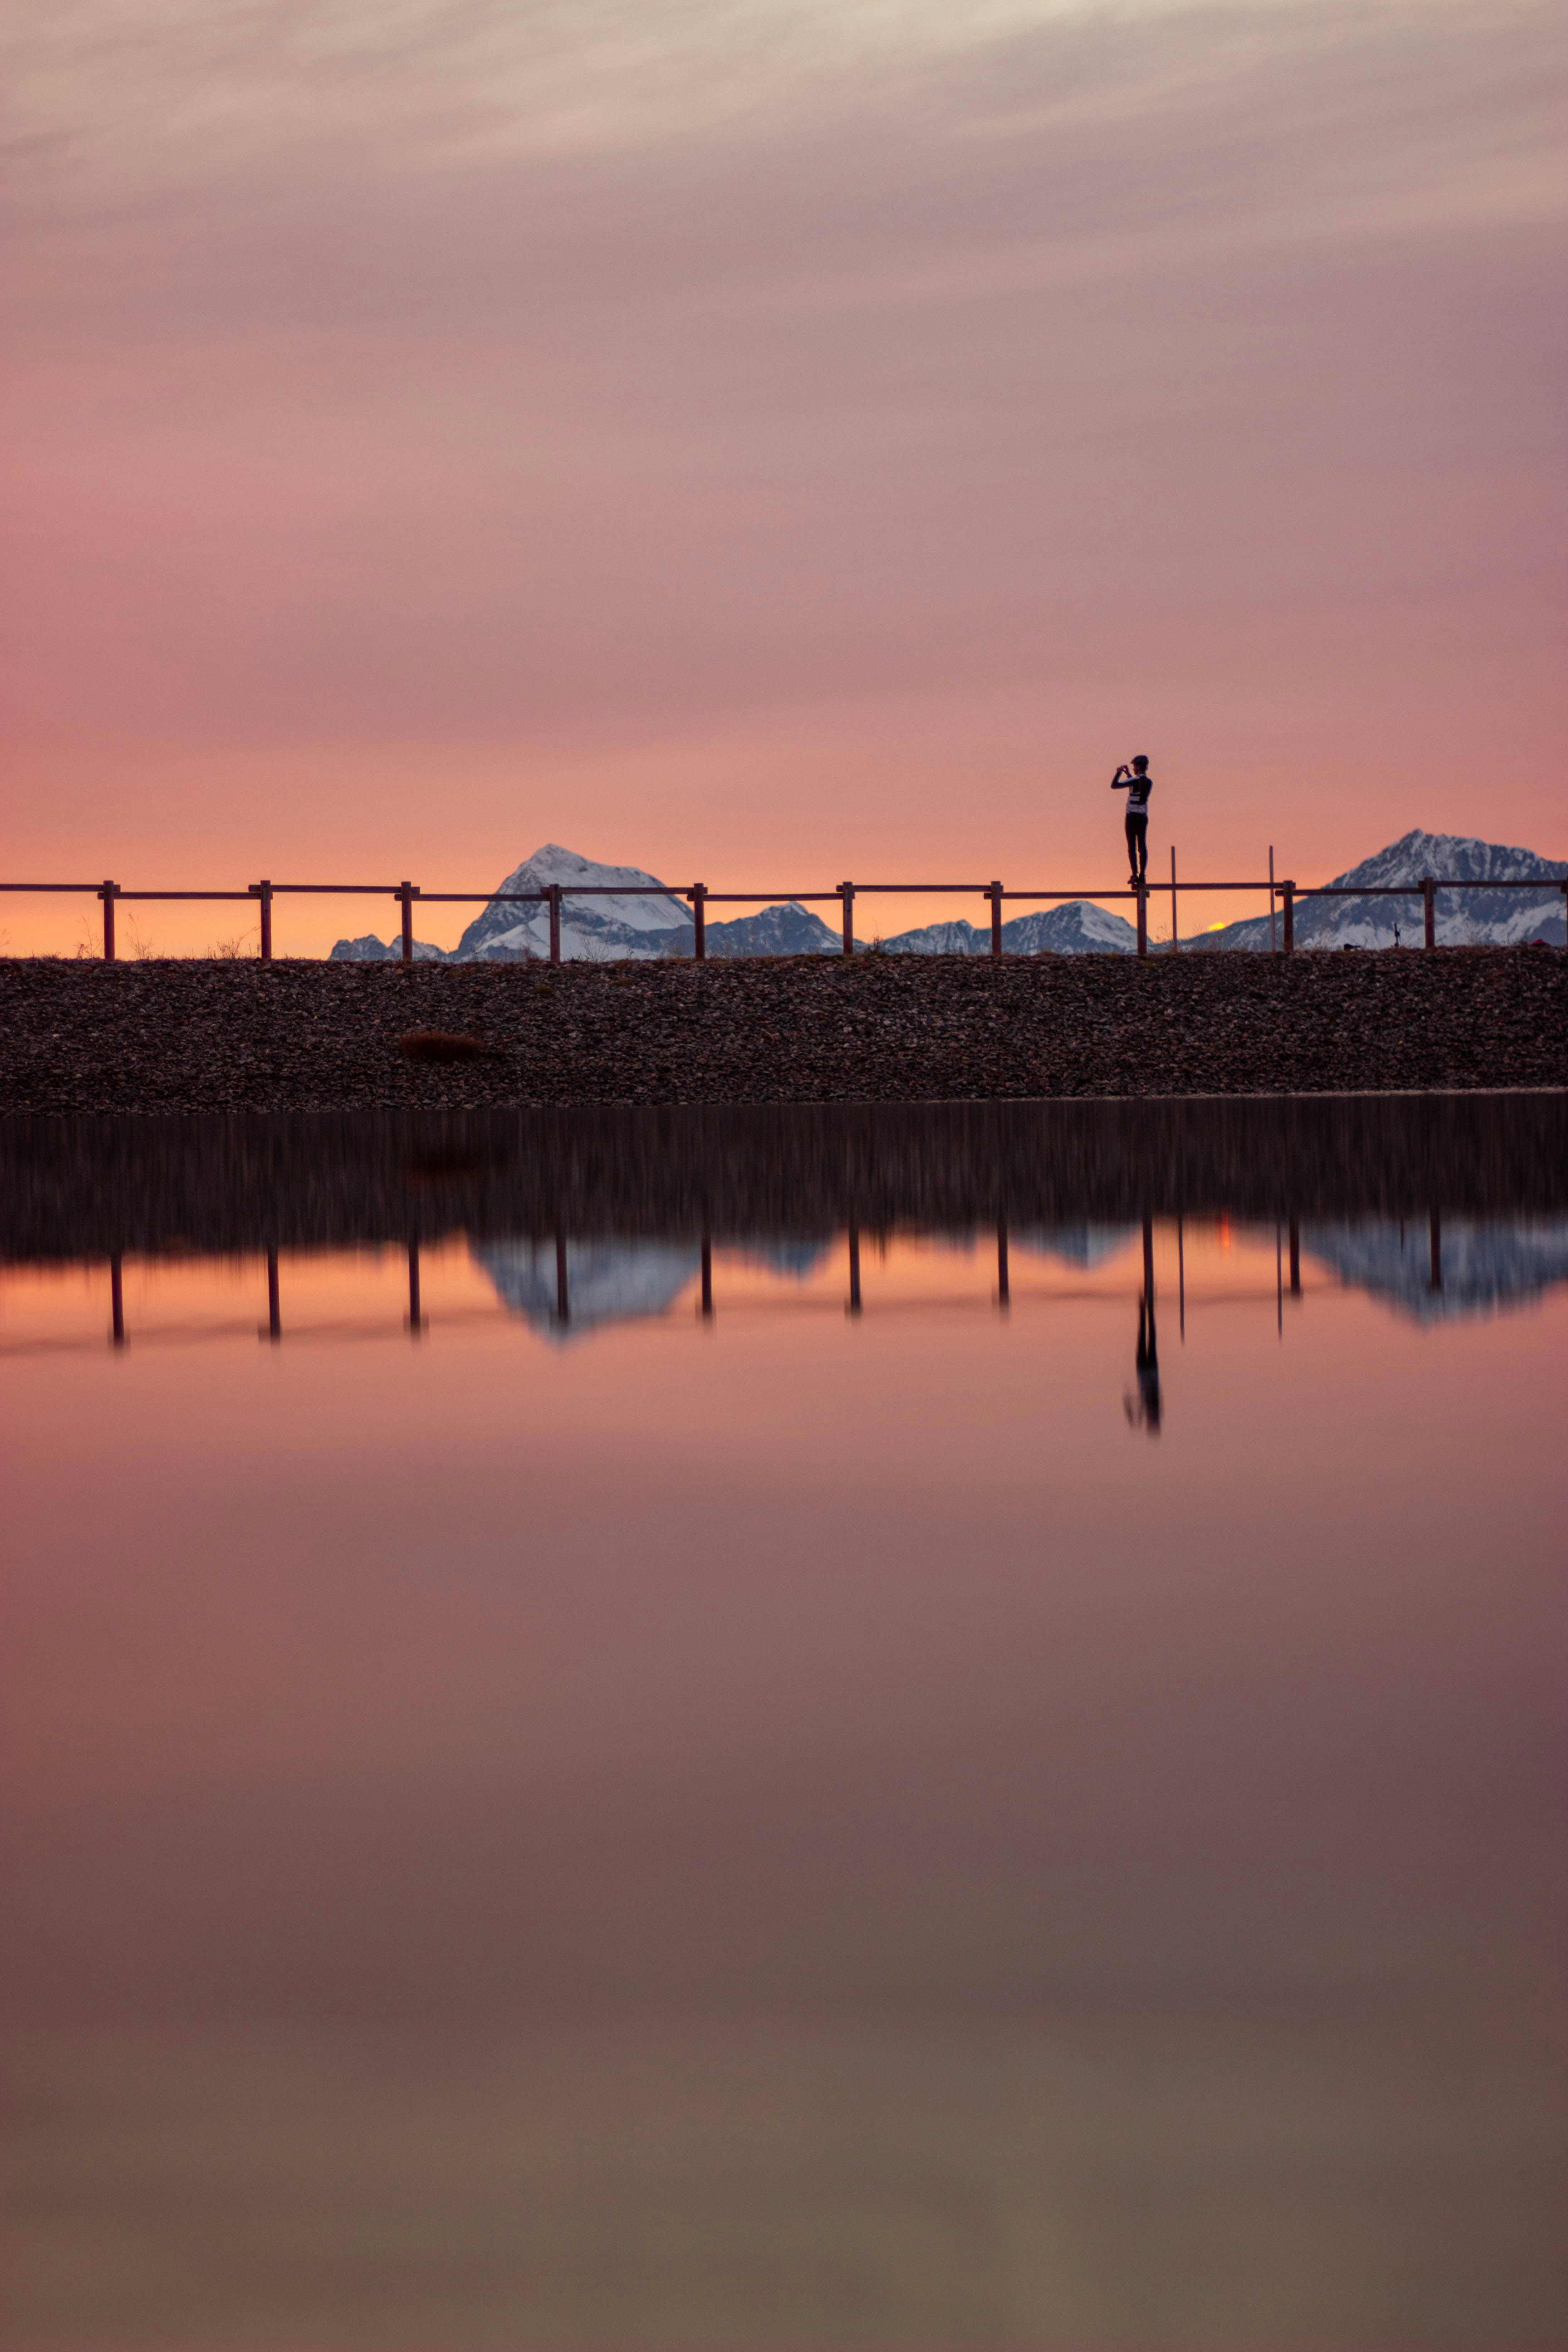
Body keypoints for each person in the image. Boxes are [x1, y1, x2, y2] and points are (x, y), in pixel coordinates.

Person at [1111, 755, 1152, 888]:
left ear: (1139, 767)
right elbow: (1137, 787)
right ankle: (1142, 875)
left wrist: (1118, 774)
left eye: (1135, 766)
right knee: (1142, 845)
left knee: (1132, 847)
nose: (1134, 768)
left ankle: (1134, 873)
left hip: (1132, 816)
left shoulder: (1135, 780)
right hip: (1143, 816)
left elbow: (1115, 786)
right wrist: (1129, 775)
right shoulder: (1149, 782)